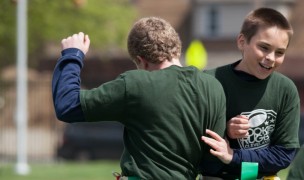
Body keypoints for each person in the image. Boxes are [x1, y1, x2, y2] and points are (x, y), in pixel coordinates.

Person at [52, 17, 226, 179]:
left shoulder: (135, 84)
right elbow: (213, 164)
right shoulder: (213, 87)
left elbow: (67, 105)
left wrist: (72, 55)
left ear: (141, 61)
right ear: (176, 47)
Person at [201, 7, 301, 179]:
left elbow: (284, 155)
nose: (271, 57)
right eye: (264, 47)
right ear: (242, 41)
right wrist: (224, 129)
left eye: (280, 52)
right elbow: (191, 142)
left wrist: (233, 156)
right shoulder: (209, 81)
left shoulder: (286, 89)